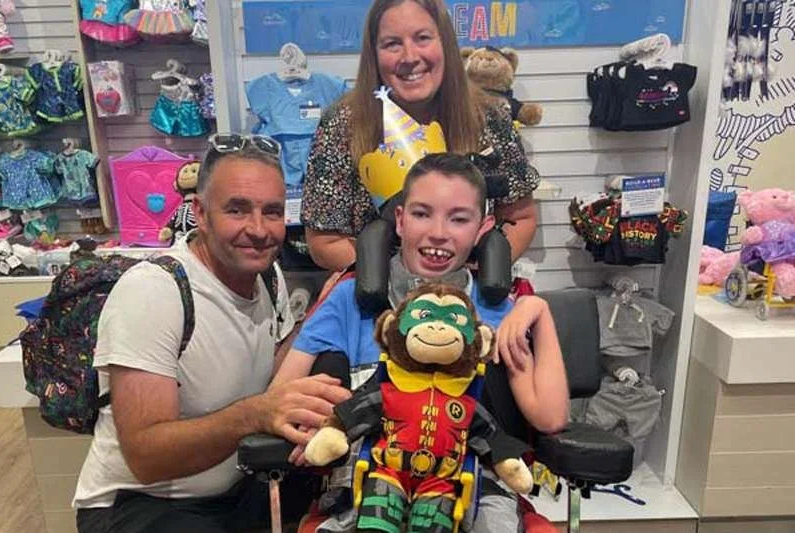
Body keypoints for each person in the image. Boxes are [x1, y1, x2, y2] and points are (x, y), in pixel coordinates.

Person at [274, 153, 568, 533]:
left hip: (466, 489)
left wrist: (537, 311)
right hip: (368, 490)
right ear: (399, 221)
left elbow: (550, 416)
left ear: (484, 228)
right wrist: (321, 423)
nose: (438, 232)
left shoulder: (497, 312)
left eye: (459, 218)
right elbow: (280, 395)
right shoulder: (348, 300)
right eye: (421, 213)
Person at [73, 134, 351, 533]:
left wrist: (323, 318)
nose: (258, 230)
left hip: (235, 488)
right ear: (200, 213)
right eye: (237, 210)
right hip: (140, 505)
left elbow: (266, 364)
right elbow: (146, 457)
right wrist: (256, 414)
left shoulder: (267, 276)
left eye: (272, 212)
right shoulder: (154, 291)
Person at [301, 0, 540, 272]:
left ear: (446, 44)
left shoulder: (489, 118)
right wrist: (397, 285)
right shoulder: (342, 126)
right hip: (379, 303)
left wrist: (479, 279)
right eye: (392, 43)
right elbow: (325, 241)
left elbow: (520, 218)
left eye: (422, 38)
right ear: (374, 54)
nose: (409, 56)